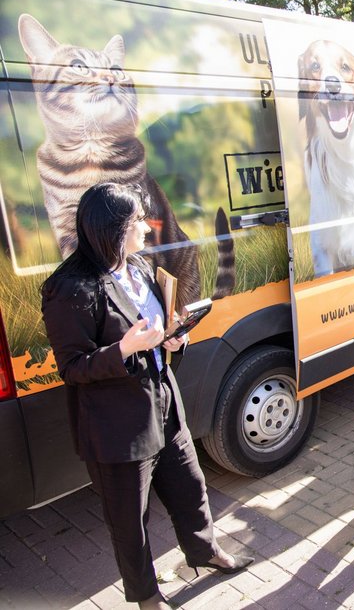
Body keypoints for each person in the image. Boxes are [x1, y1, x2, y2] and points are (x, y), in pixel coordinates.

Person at [40, 183, 252, 610]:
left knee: (191, 487)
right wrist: (124, 348)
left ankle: (205, 551)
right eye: (138, 220)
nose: (148, 227)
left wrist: (174, 338)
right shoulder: (71, 288)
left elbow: (158, 329)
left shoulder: (137, 267)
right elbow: (73, 367)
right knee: (129, 521)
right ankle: (147, 597)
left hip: (164, 404)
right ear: (114, 229)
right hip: (118, 428)